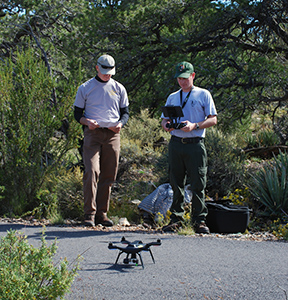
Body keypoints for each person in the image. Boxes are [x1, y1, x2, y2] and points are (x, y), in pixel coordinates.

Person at [161, 61, 217, 233]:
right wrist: (167, 125)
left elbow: (213, 119)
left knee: (198, 183)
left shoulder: (203, 94)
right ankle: (176, 218)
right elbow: (164, 120)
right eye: (179, 78)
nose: (182, 82)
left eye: (185, 78)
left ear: (193, 76)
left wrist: (195, 126)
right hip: (177, 143)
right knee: (175, 182)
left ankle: (199, 220)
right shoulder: (172, 97)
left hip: (195, 144)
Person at [74, 54, 129, 227]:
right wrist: (86, 122)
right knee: (92, 171)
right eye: (104, 71)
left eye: (110, 71)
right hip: (93, 133)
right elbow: (77, 114)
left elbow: (125, 112)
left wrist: (121, 124)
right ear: (97, 68)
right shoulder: (85, 87)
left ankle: (102, 213)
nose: (107, 74)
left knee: (109, 173)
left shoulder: (119, 88)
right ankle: (89, 214)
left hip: (112, 134)